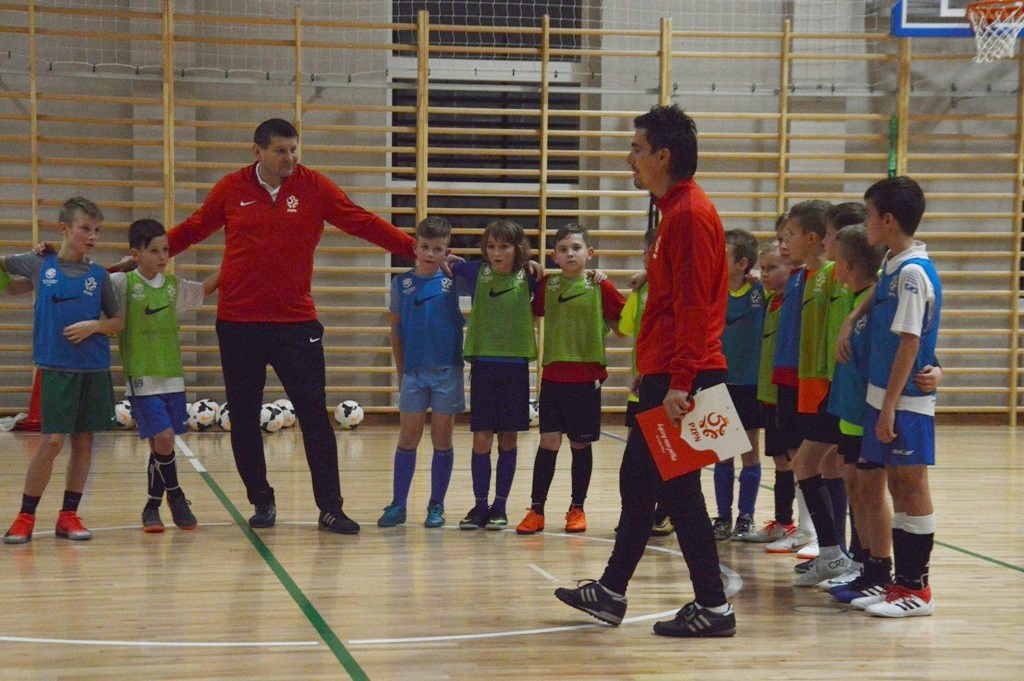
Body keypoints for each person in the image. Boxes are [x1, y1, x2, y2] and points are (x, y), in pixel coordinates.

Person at [165, 118, 421, 534]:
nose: (290, 158)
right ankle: (262, 501)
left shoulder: (315, 187)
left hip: (296, 323)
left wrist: (414, 249)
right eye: (280, 151)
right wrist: (146, 256)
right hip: (238, 322)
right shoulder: (231, 188)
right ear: (258, 152)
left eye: (294, 149)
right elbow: (192, 229)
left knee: (314, 417)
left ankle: (331, 508)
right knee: (244, 417)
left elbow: (362, 221)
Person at [555, 104, 736, 638]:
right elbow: (668, 304)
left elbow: (696, 307)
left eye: (636, 149)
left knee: (680, 494)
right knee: (637, 483)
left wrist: (678, 380)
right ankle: (611, 592)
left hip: (689, 378)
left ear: (663, 156)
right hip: (668, 373)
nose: (628, 158)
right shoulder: (671, 211)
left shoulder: (690, 215)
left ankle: (714, 607)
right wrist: (652, 368)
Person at [844, 176, 942, 617]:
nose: (865, 223)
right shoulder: (892, 264)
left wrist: (888, 408)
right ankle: (900, 585)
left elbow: (910, 342)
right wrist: (852, 317)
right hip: (883, 396)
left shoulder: (913, 273)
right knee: (899, 486)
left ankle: (917, 589)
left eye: (868, 215)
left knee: (911, 486)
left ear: (887, 220)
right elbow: (877, 295)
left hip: (904, 401)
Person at [2, 197, 124, 544]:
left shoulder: (99, 275)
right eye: (85, 229)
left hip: (93, 368)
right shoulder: (40, 263)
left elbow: (117, 321)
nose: (93, 236)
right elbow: (6, 275)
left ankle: (68, 515)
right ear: (64, 229)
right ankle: (25, 516)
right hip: (56, 368)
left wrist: (94, 327)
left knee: (84, 442)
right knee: (52, 441)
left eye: (97, 230)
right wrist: (12, 285)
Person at [111, 219, 220, 532]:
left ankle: (151, 506)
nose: (163, 257)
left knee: (161, 446)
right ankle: (176, 494)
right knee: (165, 438)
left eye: (166, 250)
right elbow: (92, 285)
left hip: (172, 375)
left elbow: (205, 289)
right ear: (136, 253)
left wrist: (234, 258)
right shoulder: (122, 284)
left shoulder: (173, 286)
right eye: (154, 251)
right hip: (141, 376)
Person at [516, 223, 625, 535]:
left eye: (576, 248)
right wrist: (529, 268)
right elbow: (528, 306)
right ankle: (537, 509)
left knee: (580, 444)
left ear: (589, 253)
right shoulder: (548, 285)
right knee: (548, 442)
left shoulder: (600, 286)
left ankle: (577, 508)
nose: (570, 254)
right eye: (563, 250)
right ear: (554, 256)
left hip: (586, 377)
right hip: (554, 376)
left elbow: (623, 325)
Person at [377, 217, 465, 529]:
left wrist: (530, 264)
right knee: (408, 437)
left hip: (447, 371)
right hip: (414, 373)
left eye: (438, 249)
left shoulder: (454, 280)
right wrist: (401, 372)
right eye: (425, 247)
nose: (430, 254)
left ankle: (436, 505)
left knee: (442, 439)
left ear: (447, 252)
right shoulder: (401, 284)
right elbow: (396, 330)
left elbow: (494, 272)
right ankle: (398, 504)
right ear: (414, 248)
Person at [457, 219, 538, 531]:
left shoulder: (529, 276)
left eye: (503, 246)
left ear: (518, 249)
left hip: (515, 366)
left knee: (508, 438)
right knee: (481, 437)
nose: (496, 252)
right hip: (484, 365)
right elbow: (442, 264)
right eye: (491, 246)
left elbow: (568, 277)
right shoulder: (476, 272)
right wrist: (446, 258)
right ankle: (479, 505)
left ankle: (500, 505)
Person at [618, 230, 673, 537]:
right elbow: (625, 328)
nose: (648, 258)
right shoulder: (643, 290)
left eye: (653, 252)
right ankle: (635, 518)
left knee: (669, 457)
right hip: (646, 382)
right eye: (645, 253)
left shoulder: (681, 287)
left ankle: (663, 513)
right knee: (636, 462)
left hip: (675, 384)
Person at [711, 229, 765, 541]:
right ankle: (723, 517)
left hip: (750, 383)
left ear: (742, 263)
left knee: (750, 452)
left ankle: (746, 516)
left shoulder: (760, 291)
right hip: (720, 380)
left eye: (723, 254)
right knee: (722, 453)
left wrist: (760, 278)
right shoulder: (712, 291)